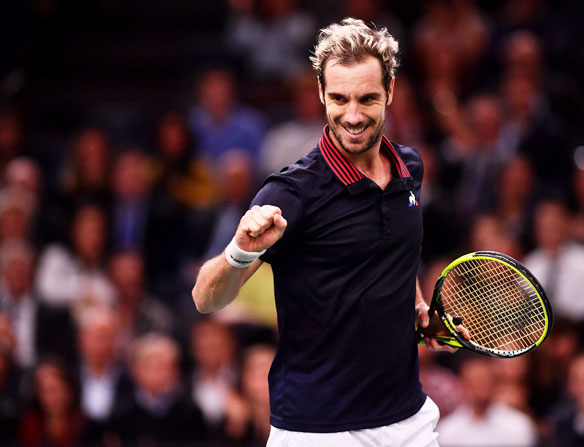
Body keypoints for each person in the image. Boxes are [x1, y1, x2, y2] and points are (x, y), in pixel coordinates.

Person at [192, 18, 468, 447]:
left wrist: (418, 311)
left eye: (367, 99)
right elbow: (206, 299)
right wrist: (240, 251)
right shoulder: (290, 192)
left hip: (408, 419)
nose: (353, 116)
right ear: (321, 93)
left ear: (390, 92)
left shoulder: (409, 168)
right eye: (338, 98)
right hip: (316, 431)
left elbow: (395, 252)